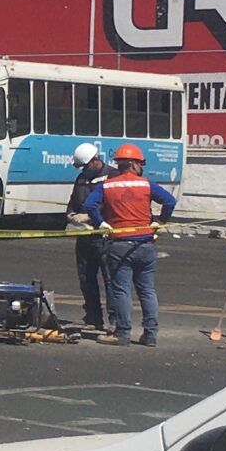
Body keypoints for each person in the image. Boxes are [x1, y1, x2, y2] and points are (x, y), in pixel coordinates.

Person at [79, 143, 177, 346]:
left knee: (121, 290)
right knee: (147, 290)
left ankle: (123, 333)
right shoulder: (146, 185)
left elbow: (89, 205)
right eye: (141, 164)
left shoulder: (107, 185)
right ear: (133, 164)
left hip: (119, 244)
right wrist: (160, 221)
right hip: (145, 244)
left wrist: (101, 223)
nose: (142, 168)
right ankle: (150, 334)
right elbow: (169, 201)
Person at [64, 141, 110, 332]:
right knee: (86, 278)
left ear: (94, 161)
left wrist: (91, 216)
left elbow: (111, 205)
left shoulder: (111, 176)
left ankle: (115, 320)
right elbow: (74, 201)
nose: (83, 170)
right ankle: (93, 317)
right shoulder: (82, 178)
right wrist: (71, 214)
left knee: (110, 279)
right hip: (84, 236)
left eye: (84, 166)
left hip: (104, 236)